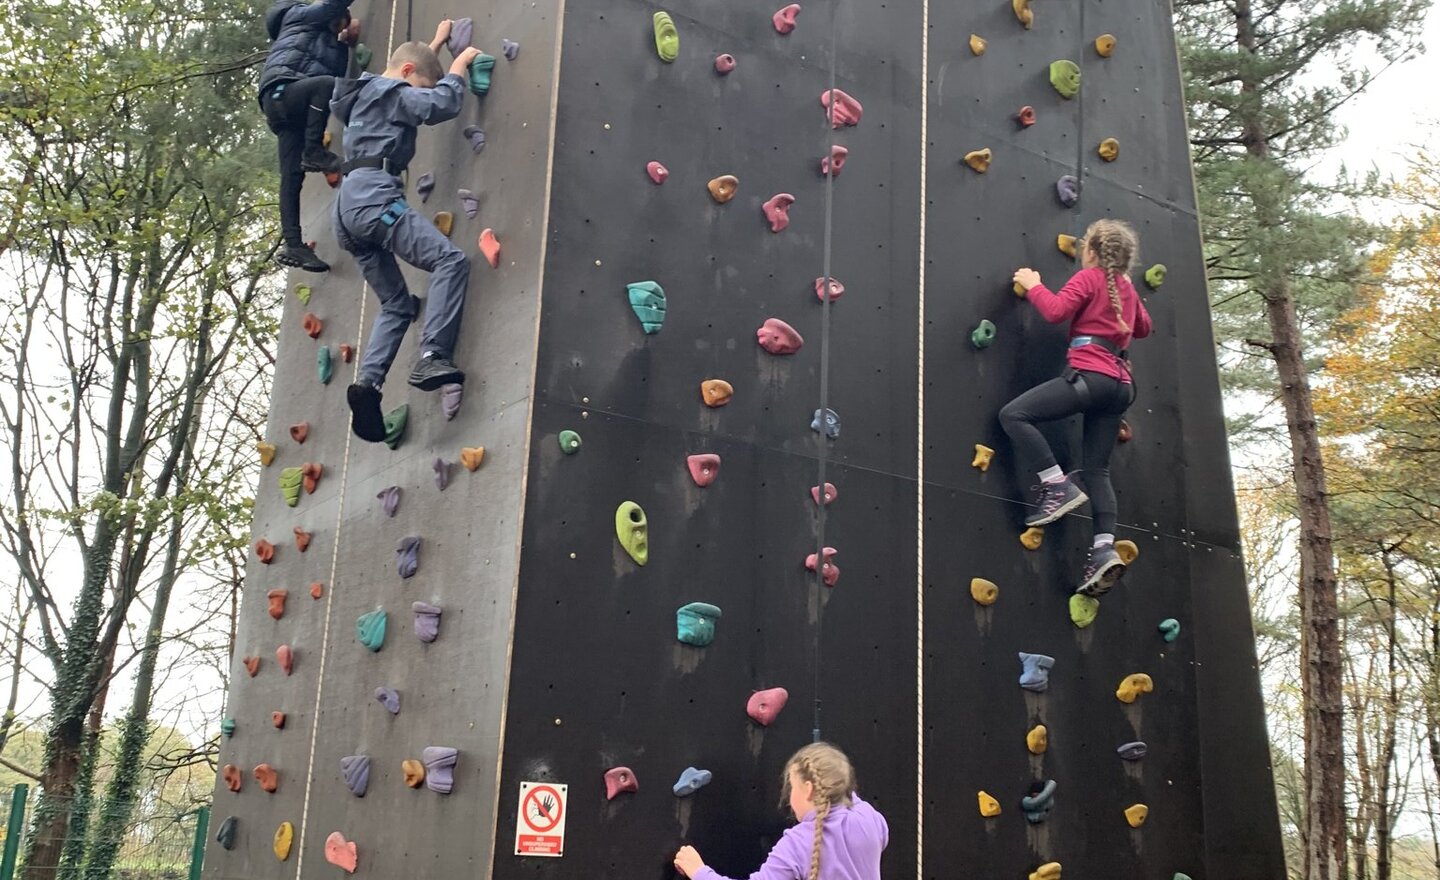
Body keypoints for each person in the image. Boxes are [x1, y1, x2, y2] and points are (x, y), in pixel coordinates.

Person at [330, 31, 481, 443]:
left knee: (398, 305)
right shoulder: (396, 92)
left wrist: (433, 44)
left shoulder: (363, 93)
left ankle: (368, 386)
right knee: (450, 261)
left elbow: (406, 69)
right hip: (375, 199)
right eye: (419, 82)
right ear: (408, 74)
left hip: (346, 211)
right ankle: (432, 355)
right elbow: (439, 104)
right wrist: (456, 68)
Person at [1000, 218, 1152, 596]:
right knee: (1097, 471)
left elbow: (1055, 311)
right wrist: (1128, 293)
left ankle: (1055, 484)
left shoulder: (1090, 278)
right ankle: (1103, 548)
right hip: (1120, 387)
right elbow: (1144, 327)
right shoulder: (1125, 288)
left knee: (1014, 415)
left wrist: (1033, 285)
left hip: (1090, 375)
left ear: (1092, 252)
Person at [673, 742, 888, 880]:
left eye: (792, 786)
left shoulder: (798, 843)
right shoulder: (869, 819)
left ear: (809, 789)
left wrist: (699, 871)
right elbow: (853, 802)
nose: (788, 796)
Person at [259, 0, 358, 272]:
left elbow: (335, 87)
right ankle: (313, 151)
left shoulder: (325, 41)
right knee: (325, 86)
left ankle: (293, 244)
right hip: (285, 90)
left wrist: (344, 43)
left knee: (291, 176)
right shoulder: (298, 15)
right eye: (339, 21)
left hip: (288, 109)